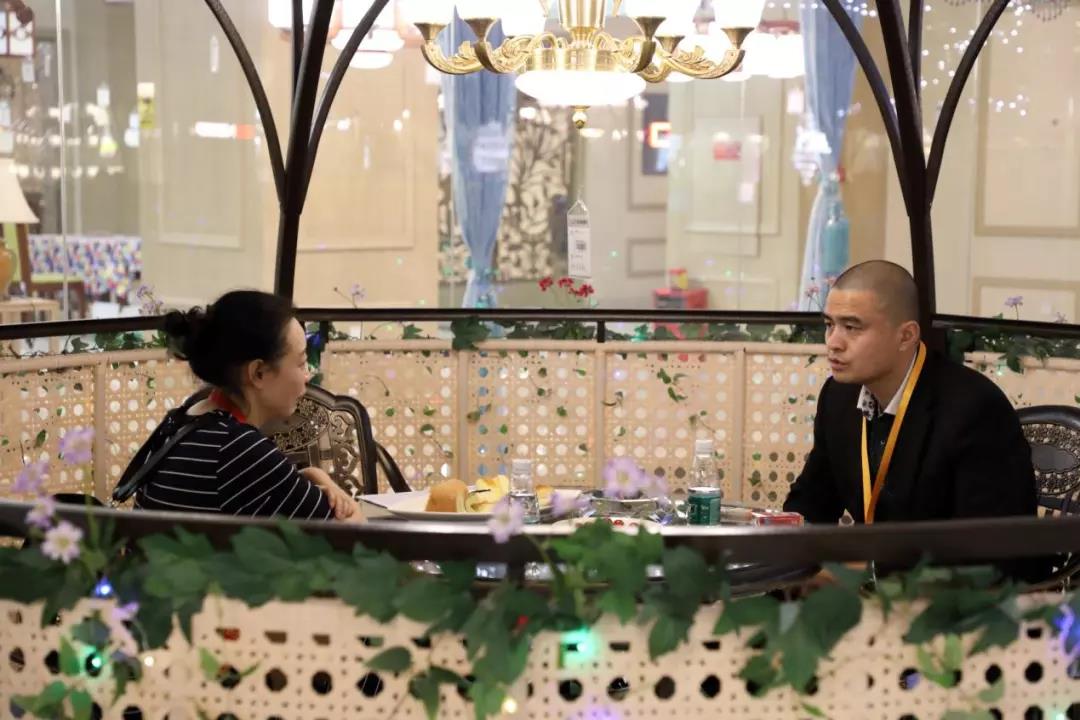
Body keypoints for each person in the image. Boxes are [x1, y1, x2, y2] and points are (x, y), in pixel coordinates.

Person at [783, 261, 1036, 524]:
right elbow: (811, 503)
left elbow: (992, 540)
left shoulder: (974, 409)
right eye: (829, 325)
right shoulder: (839, 396)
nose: (833, 342)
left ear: (906, 336)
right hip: (869, 552)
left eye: (851, 327)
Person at [123, 290, 359, 521]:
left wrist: (309, 476)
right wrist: (322, 479)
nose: (307, 376)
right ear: (258, 373)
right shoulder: (241, 450)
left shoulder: (179, 420)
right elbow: (358, 534)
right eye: (301, 363)